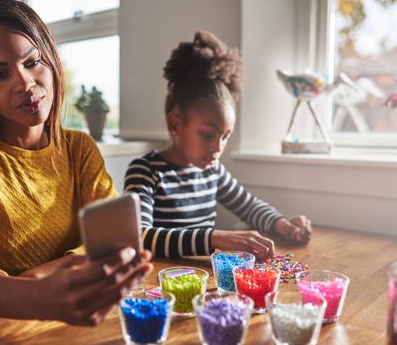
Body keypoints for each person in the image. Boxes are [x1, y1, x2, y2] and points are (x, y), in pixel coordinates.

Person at [0, 0, 152, 325]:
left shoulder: (79, 148)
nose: (26, 84)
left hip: (51, 324)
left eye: (32, 62)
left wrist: (42, 279)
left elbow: (115, 242)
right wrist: (39, 294)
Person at [123, 30, 312, 259]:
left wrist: (282, 224)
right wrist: (214, 237)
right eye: (207, 134)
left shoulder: (213, 171)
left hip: (207, 283)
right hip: (161, 288)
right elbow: (140, 237)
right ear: (175, 124)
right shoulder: (145, 172)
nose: (217, 148)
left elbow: (249, 206)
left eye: (225, 137)